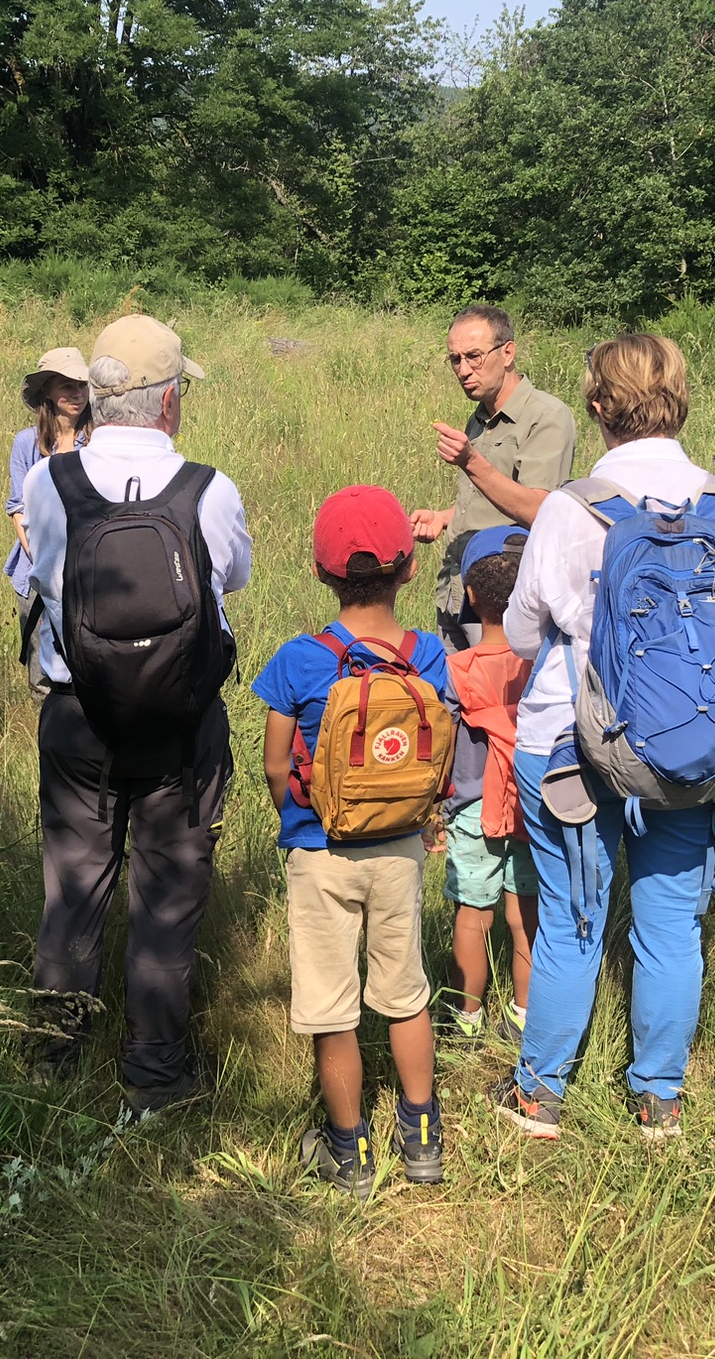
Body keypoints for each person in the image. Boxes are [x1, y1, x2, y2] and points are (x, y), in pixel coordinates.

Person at [488, 333, 715, 1142]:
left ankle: (540, 1094)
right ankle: (658, 1100)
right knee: (672, 925)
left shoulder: (573, 506)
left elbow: (521, 632)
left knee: (574, 919)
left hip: (572, 739)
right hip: (693, 743)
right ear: (680, 399)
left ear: (598, 405)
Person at [21, 315, 250, 1117]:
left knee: (72, 886)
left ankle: (52, 1057)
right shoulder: (209, 489)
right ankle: (155, 1076)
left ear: (95, 398)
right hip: (180, 725)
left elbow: (41, 575)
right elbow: (233, 578)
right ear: (169, 401)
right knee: (167, 901)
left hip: (76, 712)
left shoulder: (47, 482)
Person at [254, 486, 452, 1197]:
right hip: (400, 848)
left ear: (320, 572)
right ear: (409, 570)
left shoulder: (298, 660)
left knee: (332, 1008)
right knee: (406, 992)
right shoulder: (429, 655)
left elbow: (274, 763)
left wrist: (298, 820)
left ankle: (350, 1151)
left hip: (320, 853)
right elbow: (438, 750)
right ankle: (422, 1139)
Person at [407, 304, 578, 652]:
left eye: (474, 356)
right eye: (455, 359)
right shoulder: (480, 417)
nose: (463, 370)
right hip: (456, 589)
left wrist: (470, 461)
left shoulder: (546, 417)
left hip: (502, 602)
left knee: (497, 688)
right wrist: (443, 518)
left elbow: (539, 509)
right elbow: (488, 502)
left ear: (508, 353)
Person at [439, 526, 539, 1045]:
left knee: (472, 917)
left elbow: (441, 750)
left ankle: (466, 1018)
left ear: (470, 596)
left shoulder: (454, 670)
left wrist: (435, 810)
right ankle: (523, 1015)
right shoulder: (541, 664)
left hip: (471, 810)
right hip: (532, 806)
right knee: (526, 917)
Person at [4, 348, 90, 692]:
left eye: (81, 385)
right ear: (48, 393)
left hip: (89, 566)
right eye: (66, 386)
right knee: (41, 663)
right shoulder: (27, 443)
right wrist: (43, 563)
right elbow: (18, 508)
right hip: (36, 567)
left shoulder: (97, 441)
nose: (77, 393)